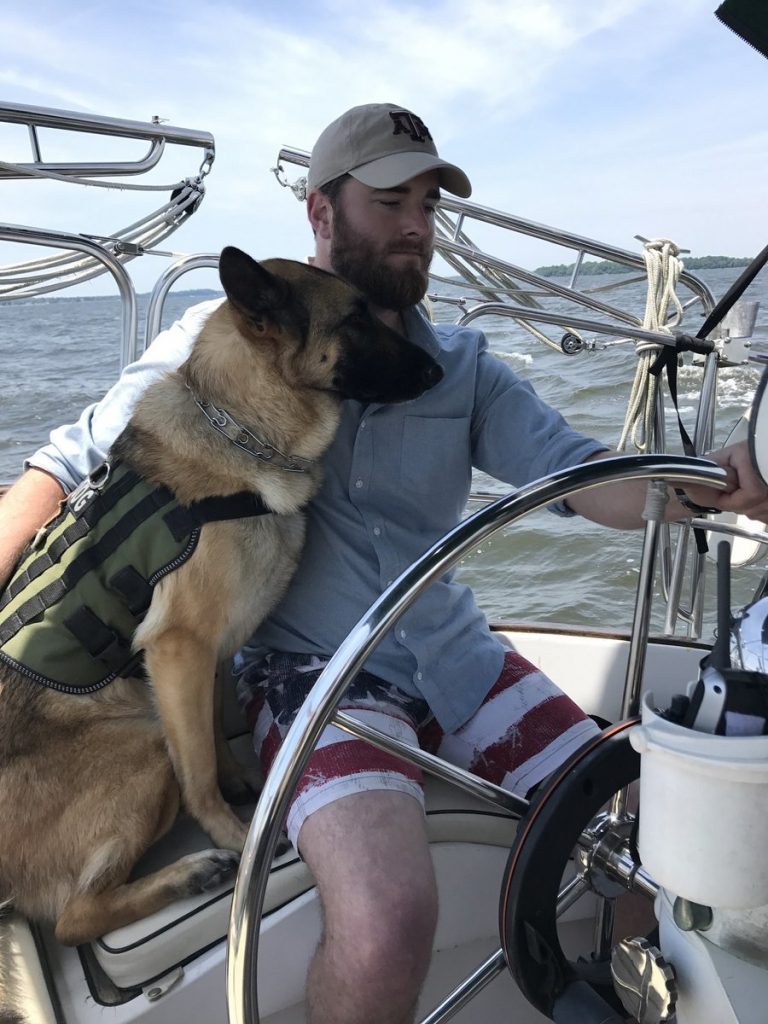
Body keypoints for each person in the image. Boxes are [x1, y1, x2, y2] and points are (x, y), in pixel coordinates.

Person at [1, 102, 768, 1024]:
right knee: (386, 918)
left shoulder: (464, 366)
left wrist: (702, 484)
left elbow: (578, 477)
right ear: (323, 215)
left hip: (459, 655)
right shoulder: (231, 348)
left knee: (657, 836)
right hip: (312, 679)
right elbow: (68, 464)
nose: (416, 225)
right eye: (389, 201)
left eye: (429, 205)